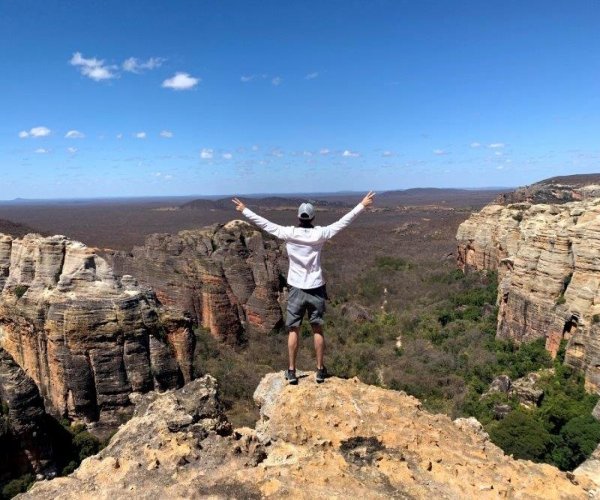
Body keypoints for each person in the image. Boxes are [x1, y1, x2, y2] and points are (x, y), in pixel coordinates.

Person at [232, 191, 375, 384]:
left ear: (298, 217)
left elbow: (264, 223)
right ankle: (319, 371)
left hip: (296, 289)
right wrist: (362, 205)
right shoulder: (320, 234)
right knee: (317, 330)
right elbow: (343, 222)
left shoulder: (289, 233)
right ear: (313, 218)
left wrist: (244, 210)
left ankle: (291, 371)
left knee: (294, 330)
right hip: (316, 287)